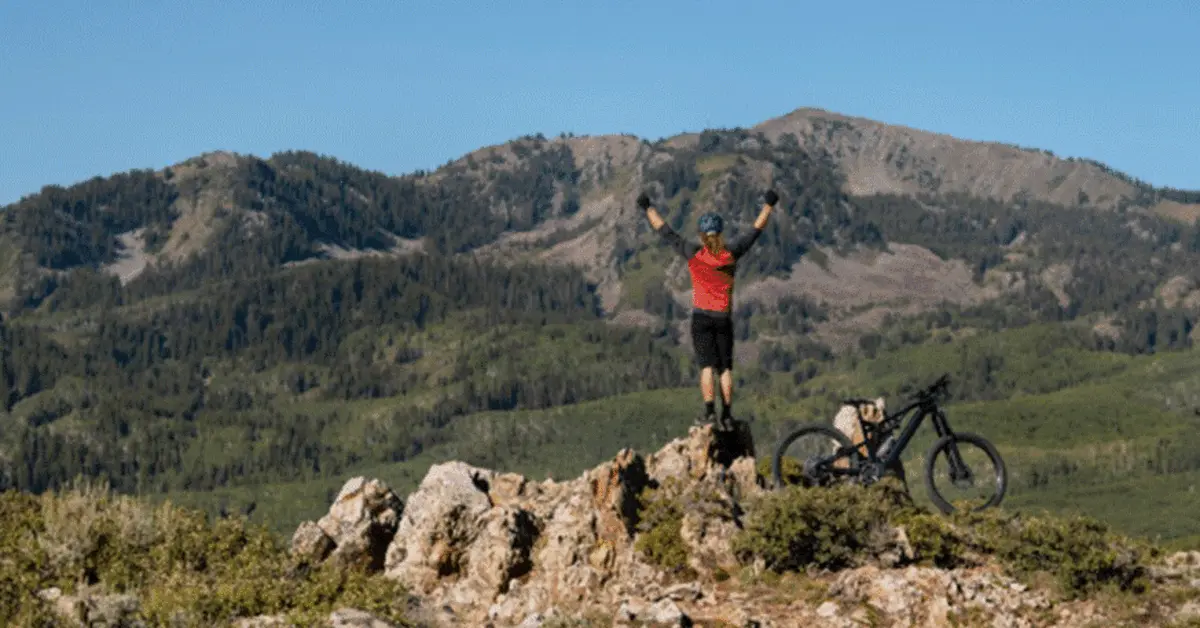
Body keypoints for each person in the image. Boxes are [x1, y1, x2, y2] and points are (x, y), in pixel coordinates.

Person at [637, 189, 779, 427]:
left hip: (701, 317)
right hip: (723, 318)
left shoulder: (693, 253)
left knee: (706, 367)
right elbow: (755, 230)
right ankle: (727, 415)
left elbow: (665, 231)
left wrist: (648, 208)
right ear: (720, 233)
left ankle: (709, 413)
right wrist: (769, 205)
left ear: (702, 235)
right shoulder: (731, 254)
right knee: (724, 368)